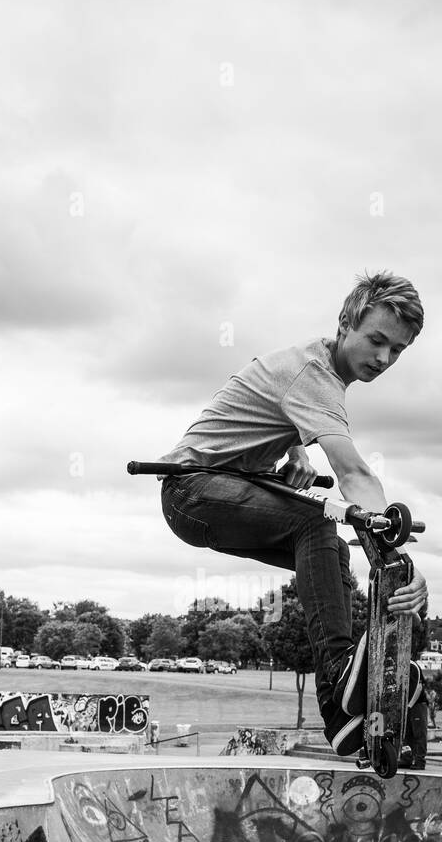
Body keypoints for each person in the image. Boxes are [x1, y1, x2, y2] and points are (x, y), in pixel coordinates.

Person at [157, 271, 428, 755]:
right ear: (345, 324)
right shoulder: (316, 377)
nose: (384, 359)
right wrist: (398, 562)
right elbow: (355, 475)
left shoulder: (308, 370)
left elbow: (260, 413)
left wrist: (294, 452)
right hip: (191, 490)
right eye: (377, 341)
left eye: (398, 351)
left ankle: (337, 712)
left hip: (221, 490)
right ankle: (343, 673)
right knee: (317, 519)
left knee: (330, 551)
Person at [399, 660, 428, 769]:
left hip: (417, 704)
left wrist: (410, 705)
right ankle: (407, 758)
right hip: (406, 706)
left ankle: (420, 761)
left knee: (419, 733)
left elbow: (419, 687)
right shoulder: (399, 666)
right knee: (407, 734)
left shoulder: (412, 666)